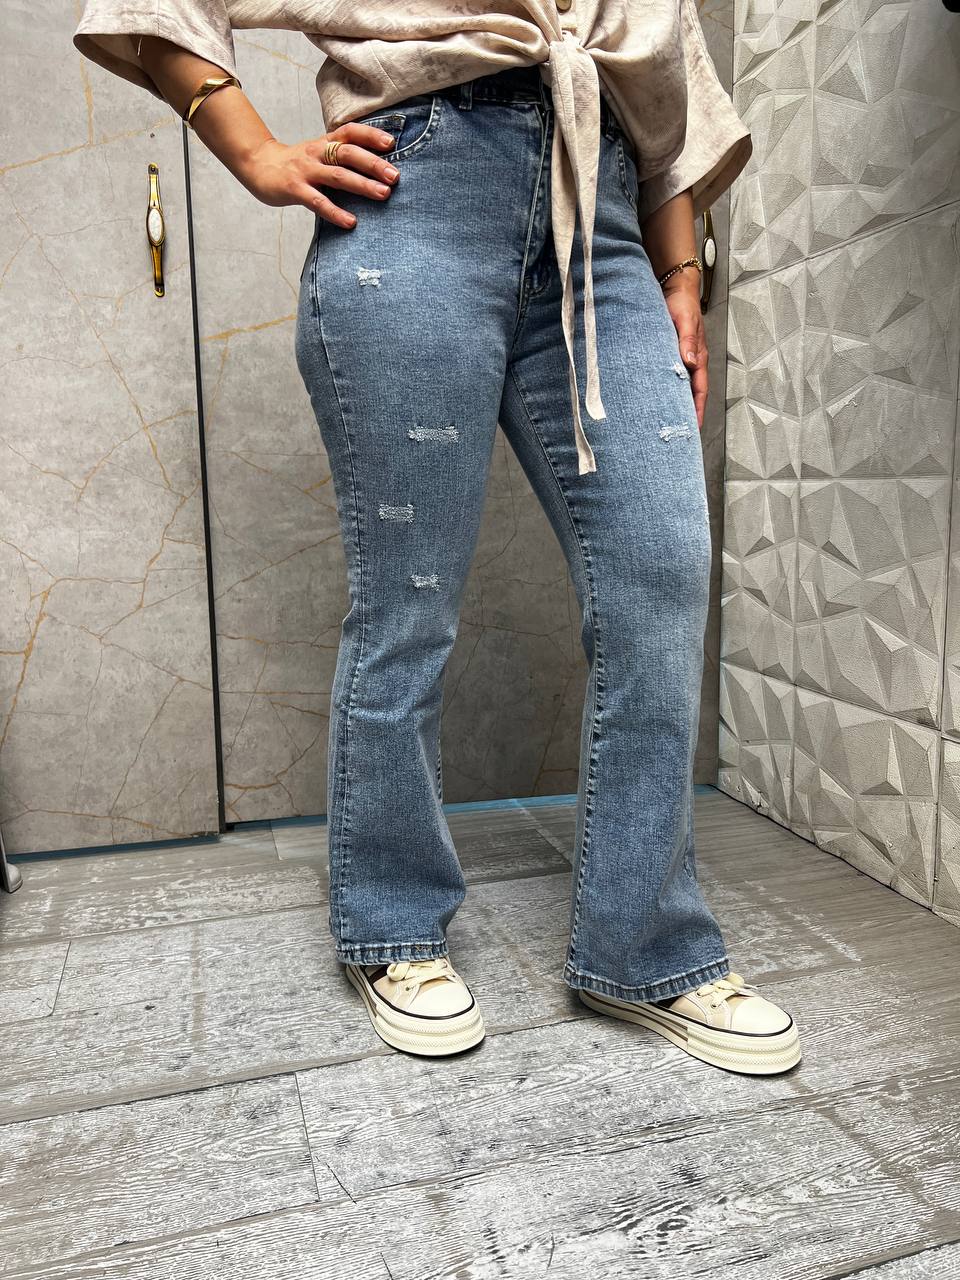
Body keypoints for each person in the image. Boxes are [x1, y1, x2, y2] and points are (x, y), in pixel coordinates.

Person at [73, 1, 802, 1076]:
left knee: (661, 576)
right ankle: (393, 924)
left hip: (606, 226)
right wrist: (255, 150)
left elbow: (669, 98)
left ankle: (641, 949)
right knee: (407, 605)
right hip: (416, 196)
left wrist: (682, 274)